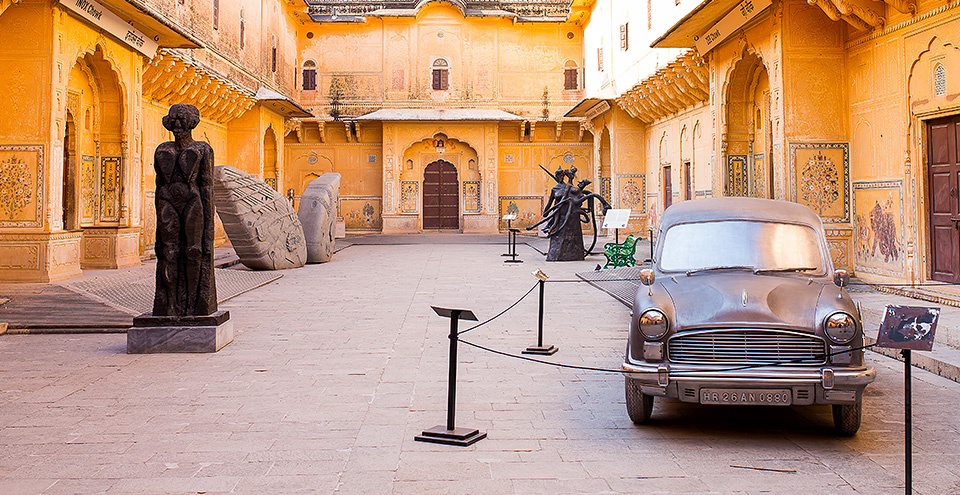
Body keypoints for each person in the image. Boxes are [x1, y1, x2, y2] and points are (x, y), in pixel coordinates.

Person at [152, 104, 217, 317]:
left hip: (192, 201)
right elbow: (159, 185)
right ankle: (170, 303)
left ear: (191, 123)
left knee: (194, 251)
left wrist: (208, 229)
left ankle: (193, 302)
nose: (178, 125)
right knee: (169, 252)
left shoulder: (202, 150)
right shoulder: (162, 150)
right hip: (167, 200)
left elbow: (206, 186)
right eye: (174, 120)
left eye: (182, 120)